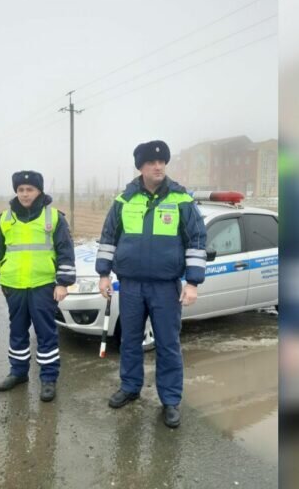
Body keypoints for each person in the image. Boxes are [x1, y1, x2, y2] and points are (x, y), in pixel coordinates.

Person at [96, 140, 206, 427]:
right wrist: (104, 274)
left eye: (161, 162)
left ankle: (170, 400)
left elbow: (196, 242)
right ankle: (130, 388)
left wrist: (192, 283)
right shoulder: (124, 201)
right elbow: (108, 239)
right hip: (131, 285)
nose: (157, 166)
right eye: (150, 163)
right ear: (141, 167)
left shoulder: (181, 200)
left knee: (168, 344)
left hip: (165, 287)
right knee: (130, 341)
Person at [0, 170, 75, 402]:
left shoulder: (54, 218)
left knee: (46, 333)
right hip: (13, 286)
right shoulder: (5, 218)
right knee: (18, 331)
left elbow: (65, 251)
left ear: (39, 191)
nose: (24, 194)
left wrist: (63, 283)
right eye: (20, 190)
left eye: (29, 189)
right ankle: (18, 372)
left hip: (43, 286)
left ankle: (49, 379)